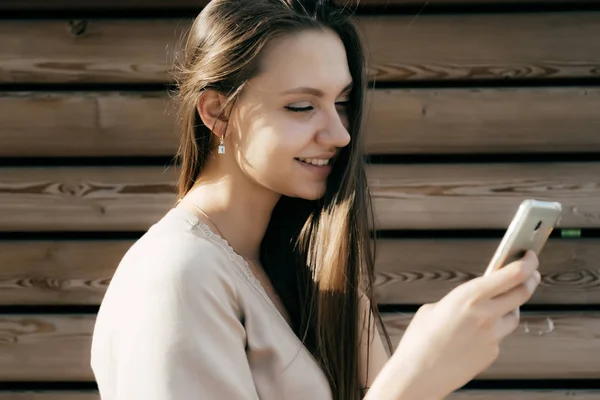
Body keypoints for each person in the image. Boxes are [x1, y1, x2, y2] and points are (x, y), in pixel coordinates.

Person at [89, 0, 542, 399]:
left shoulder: (303, 270)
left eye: (342, 103)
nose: (340, 134)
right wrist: (416, 377)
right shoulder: (177, 275)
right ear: (218, 112)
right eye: (302, 106)